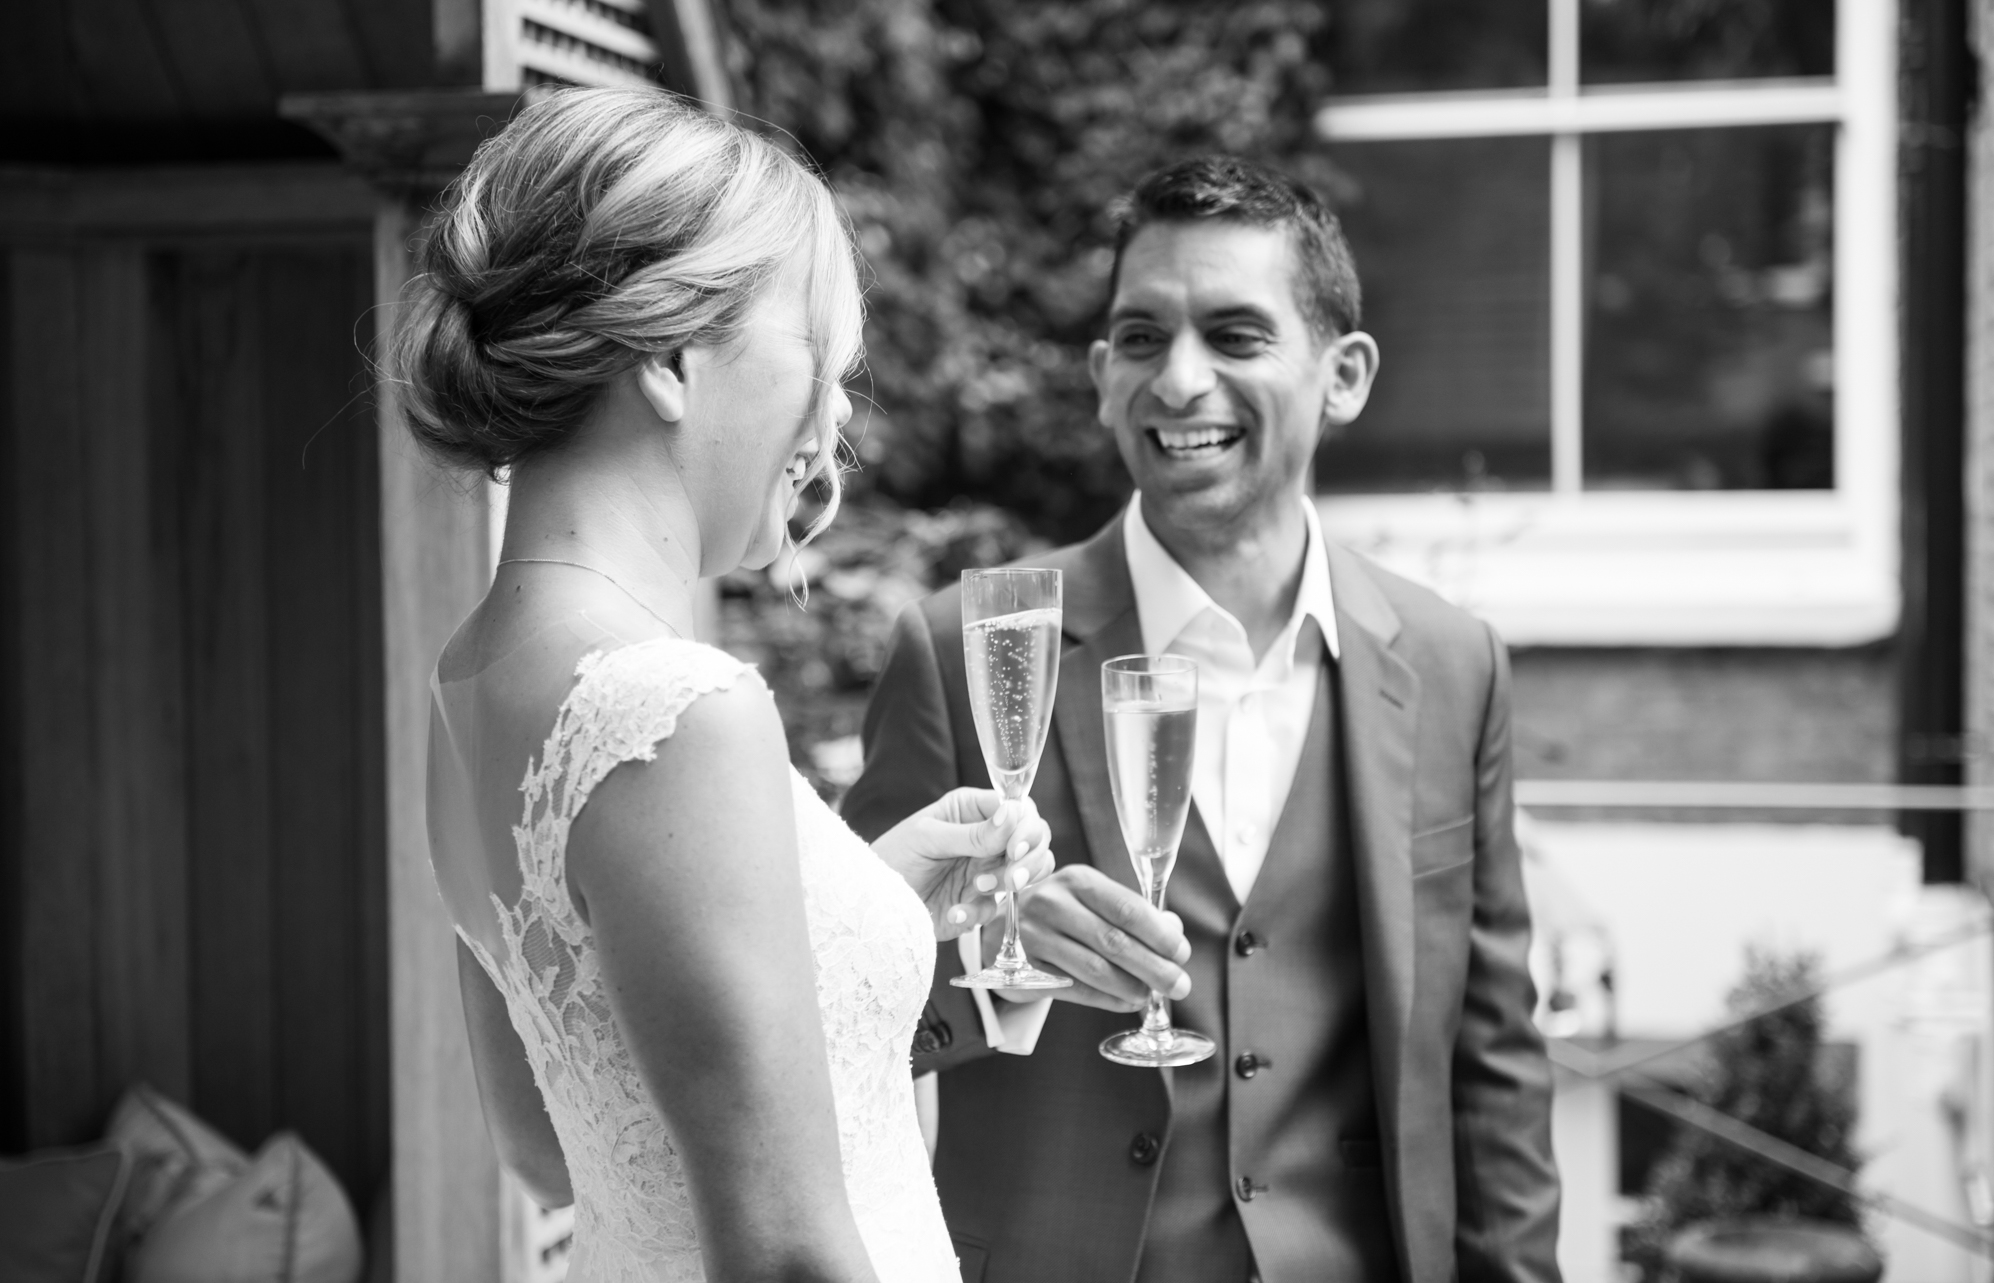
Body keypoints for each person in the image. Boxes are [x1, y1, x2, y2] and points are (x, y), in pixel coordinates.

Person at [843, 155, 1561, 1283]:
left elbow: (1493, 1059)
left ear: (1344, 375)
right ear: (1101, 377)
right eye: (1141, 337)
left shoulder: (1449, 663)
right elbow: (842, 1018)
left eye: (1234, 335)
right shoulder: (965, 650)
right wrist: (992, 964)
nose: (1178, 381)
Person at [403, 87, 1052, 1283]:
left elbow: (553, 1146)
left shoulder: (468, 684)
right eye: (818, 357)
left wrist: (860, 909)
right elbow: (790, 1253)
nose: (834, 414)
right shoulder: (678, 711)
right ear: (670, 358)